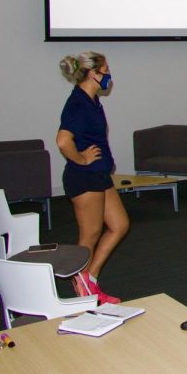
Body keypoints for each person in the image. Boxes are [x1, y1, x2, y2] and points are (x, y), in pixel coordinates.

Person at [56, 51, 129, 305]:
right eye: (106, 69)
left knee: (119, 225)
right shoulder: (77, 104)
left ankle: (89, 279)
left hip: (98, 176)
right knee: (91, 233)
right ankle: (83, 283)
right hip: (84, 178)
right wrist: (81, 158)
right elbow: (63, 141)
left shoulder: (93, 101)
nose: (109, 75)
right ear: (93, 73)